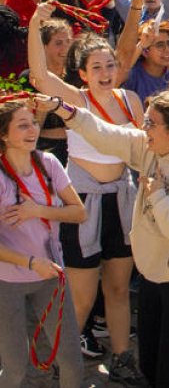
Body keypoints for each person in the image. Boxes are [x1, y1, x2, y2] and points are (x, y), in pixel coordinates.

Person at [46, 91, 169, 388]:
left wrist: (159, 196)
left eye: (150, 123)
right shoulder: (150, 146)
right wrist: (65, 110)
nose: (142, 127)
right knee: (149, 362)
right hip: (154, 275)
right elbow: (106, 133)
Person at [27, 6, 143, 375]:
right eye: (96, 67)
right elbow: (40, 75)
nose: (106, 74)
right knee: (81, 296)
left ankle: (123, 358)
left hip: (122, 202)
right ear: (82, 74)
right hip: (84, 205)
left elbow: (143, 150)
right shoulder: (76, 101)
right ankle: (68, 362)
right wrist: (33, 24)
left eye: (110, 65)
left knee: (119, 289)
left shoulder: (131, 101)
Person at [0, 97, 86, 388]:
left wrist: (37, 210)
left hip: (50, 272)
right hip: (8, 281)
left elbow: (79, 212)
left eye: (34, 123)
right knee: (14, 367)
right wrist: (30, 263)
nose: (32, 130)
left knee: (72, 361)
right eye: (22, 125)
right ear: (3, 135)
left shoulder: (48, 163)